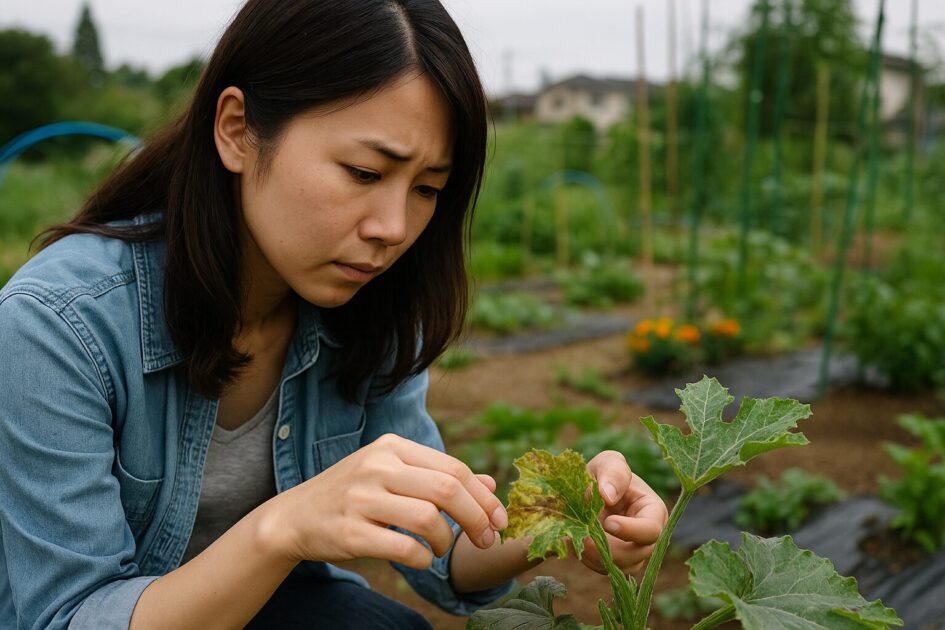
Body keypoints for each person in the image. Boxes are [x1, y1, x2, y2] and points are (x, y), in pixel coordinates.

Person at [0, 0, 668, 628]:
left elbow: (444, 554)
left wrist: (567, 513)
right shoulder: (58, 327)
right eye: (364, 172)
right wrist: (281, 528)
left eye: (428, 189)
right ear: (236, 131)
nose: (394, 228)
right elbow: (67, 615)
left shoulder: (366, 310)